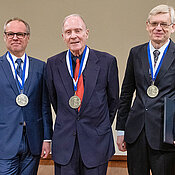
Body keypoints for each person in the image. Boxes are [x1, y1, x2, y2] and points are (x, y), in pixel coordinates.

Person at [46, 14, 119, 175]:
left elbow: (113, 101)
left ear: (87, 33)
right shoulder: (52, 64)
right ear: (63, 36)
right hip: (65, 144)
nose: (73, 36)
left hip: (96, 143)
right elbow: (54, 100)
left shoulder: (107, 61)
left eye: (78, 30)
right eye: (68, 32)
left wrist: (99, 125)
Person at [116, 4, 175, 175]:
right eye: (154, 23)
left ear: (172, 27)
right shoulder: (136, 53)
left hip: (167, 135)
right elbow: (126, 93)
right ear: (147, 26)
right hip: (136, 133)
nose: (158, 28)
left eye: (164, 24)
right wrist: (121, 130)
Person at [0, 17, 53, 174]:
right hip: (4, 141)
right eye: (10, 34)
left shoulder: (40, 67)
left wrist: (47, 138)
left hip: (33, 141)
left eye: (20, 34)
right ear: (4, 37)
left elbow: (45, 105)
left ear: (27, 38)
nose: (15, 37)